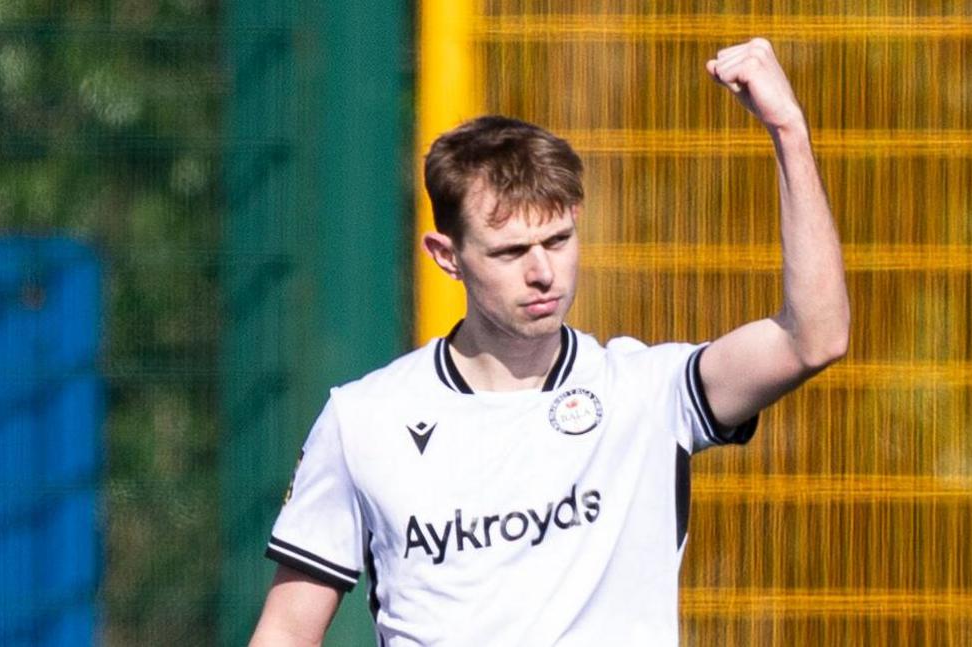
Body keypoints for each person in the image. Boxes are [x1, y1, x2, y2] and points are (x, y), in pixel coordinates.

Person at [250, 38, 849, 646]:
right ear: (446, 256)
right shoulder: (364, 420)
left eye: (558, 241)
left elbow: (813, 338)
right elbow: (287, 632)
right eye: (510, 251)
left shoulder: (647, 393)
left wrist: (788, 130)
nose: (542, 272)